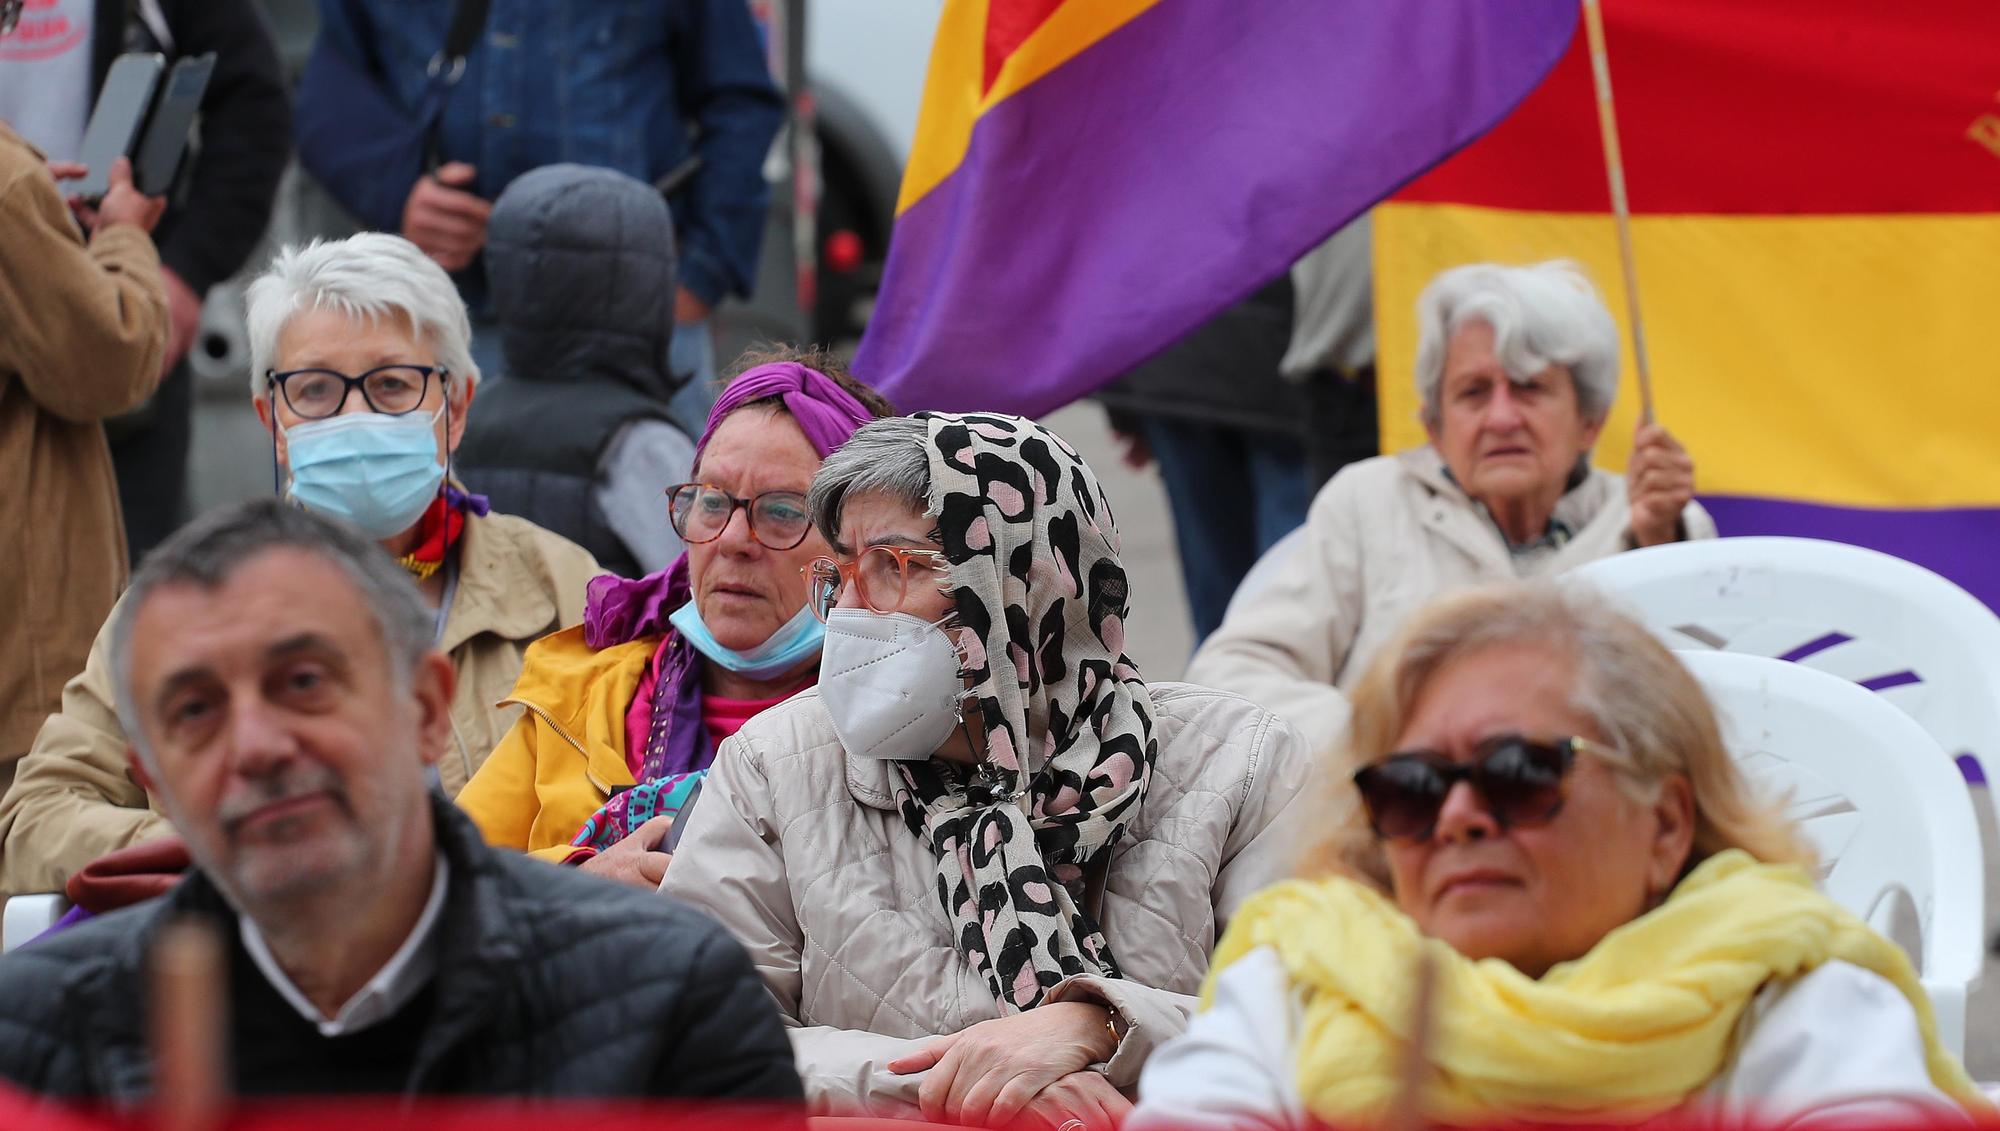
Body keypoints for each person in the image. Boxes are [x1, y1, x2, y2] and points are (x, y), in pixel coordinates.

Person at [0, 500, 803, 1102]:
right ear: (151, 767)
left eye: (304, 682)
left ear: (425, 708)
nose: (256, 746)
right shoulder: (34, 1043)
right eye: (195, 711)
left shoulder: (669, 999)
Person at [1131, 583, 1988, 1129]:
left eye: (1516, 772)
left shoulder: (1779, 984)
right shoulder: (1307, 975)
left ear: (1667, 824)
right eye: (1414, 786)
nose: (1459, 814)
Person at [662, 413, 1316, 1124]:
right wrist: (965, 1075)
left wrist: (1099, 1025)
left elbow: (1324, 1018)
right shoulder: (774, 767)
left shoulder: (1237, 764)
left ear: (1020, 588)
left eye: (894, 567)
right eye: (840, 573)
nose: (848, 614)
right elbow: (693, 1041)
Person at [0, 233, 598, 896]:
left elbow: (642, 791)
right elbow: (36, 817)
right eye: (315, 389)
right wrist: (225, 846)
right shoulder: (184, 602)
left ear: (455, 405)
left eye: (392, 384)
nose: (354, 415)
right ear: (271, 417)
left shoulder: (562, 588)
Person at [1187, 260, 1715, 754]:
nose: (1502, 417)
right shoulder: (1366, 503)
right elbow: (1229, 675)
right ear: (1434, 427)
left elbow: (1711, 707)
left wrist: (1656, 543)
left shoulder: (1656, 522)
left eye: (1529, 388)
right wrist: (1390, 741)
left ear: (1590, 423)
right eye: (1474, 392)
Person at [456, 352, 892, 882]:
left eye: (782, 512)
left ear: (860, 550)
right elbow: (449, 884)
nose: (732, 541)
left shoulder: (900, 728)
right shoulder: (576, 698)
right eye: (712, 502)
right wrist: (582, 881)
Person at [299, 0, 784, 427]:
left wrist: (700, 275)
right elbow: (330, 87)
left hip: (638, 328)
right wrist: (398, 191)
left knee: (658, 520)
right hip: (450, 322)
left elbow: (741, 102)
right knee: (461, 526)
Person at [0, 0, 292, 562]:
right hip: (86, 292)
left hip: (113, 293)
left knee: (131, 575)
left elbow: (254, 102)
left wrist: (181, 272)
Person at [0, 115, 167, 797]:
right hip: (22, 640)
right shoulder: (8, 184)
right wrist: (121, 236)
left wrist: (44, 244)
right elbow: (107, 359)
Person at [456, 163, 695, 578]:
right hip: (606, 644)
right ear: (644, 286)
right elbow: (693, 586)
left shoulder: (464, 420)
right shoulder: (640, 443)